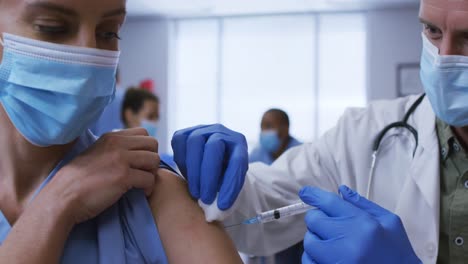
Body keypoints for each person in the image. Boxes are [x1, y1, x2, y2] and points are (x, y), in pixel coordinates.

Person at [170, 0, 468, 262]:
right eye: (432, 31)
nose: (443, 58)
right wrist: (221, 181)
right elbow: (266, 206)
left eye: (467, 37)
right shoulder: (367, 131)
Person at [0, 0, 242, 263]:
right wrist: (57, 202)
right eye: (53, 27)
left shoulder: (153, 191)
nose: (89, 56)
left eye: (108, 32)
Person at [248, 109, 302, 263]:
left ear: (285, 129)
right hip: (267, 222)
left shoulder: (301, 154)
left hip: (296, 222)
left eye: (269, 126)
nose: (264, 132)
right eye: (262, 127)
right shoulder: (257, 154)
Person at [90, 68, 125, 137]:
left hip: (97, 144)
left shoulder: (94, 97)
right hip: (123, 144)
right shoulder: (126, 96)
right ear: (119, 77)